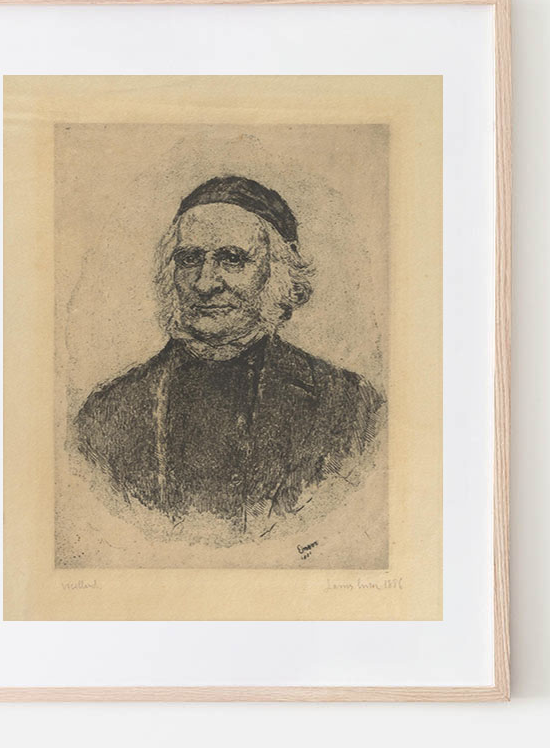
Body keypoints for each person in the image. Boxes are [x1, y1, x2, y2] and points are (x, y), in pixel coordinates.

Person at [73, 176, 384, 531]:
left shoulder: (351, 404)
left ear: (278, 272)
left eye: (232, 259)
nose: (205, 283)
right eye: (190, 259)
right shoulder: (105, 412)